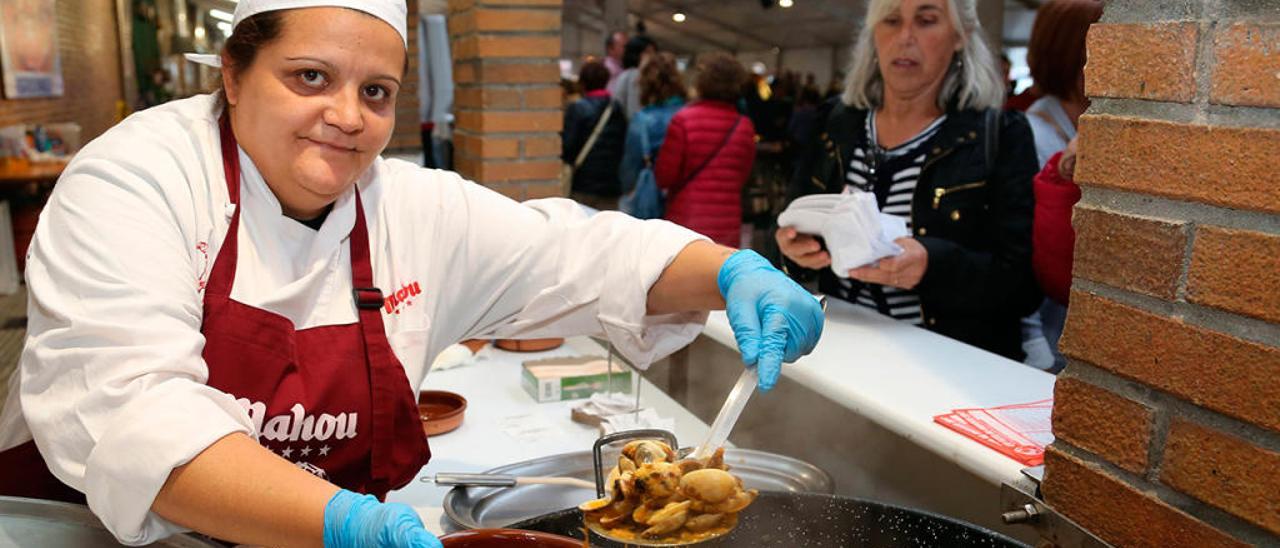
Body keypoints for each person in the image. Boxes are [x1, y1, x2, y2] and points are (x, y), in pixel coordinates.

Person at [0, 2, 825, 547]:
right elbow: (135, 415)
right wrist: (349, 524)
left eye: (378, 91)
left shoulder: (406, 204)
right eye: (310, 77)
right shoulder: (135, 179)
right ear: (233, 72)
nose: (349, 116)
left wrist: (731, 273)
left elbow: (585, 255)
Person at [781, 0, 1041, 361]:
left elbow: (1023, 285)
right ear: (873, 35)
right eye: (890, 21)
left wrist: (932, 263)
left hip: (946, 371)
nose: (905, 37)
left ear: (960, 36)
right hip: (838, 355)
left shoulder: (998, 136)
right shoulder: (836, 123)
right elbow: (794, 230)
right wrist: (796, 252)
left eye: (926, 20)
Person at [1022, 0, 1104, 372]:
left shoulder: (1076, 127)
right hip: (1046, 341)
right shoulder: (1035, 135)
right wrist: (1033, 343)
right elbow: (1021, 250)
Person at [655, 54, 757, 248]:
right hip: (727, 223)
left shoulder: (683, 120)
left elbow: (664, 177)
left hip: (685, 220)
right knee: (718, 276)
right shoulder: (744, 126)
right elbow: (743, 177)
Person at [618, 52, 687, 204]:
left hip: (651, 201)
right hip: (685, 198)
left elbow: (630, 170)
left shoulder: (642, 120)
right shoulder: (690, 114)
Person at [562, 60, 628, 210]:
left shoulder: (578, 108)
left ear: (583, 82)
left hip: (583, 185)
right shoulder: (617, 109)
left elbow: (568, 147)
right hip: (611, 187)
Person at [608, 35, 657, 120]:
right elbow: (633, 111)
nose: (653, 56)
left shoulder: (627, 74)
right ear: (637, 54)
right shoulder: (636, 75)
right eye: (648, 52)